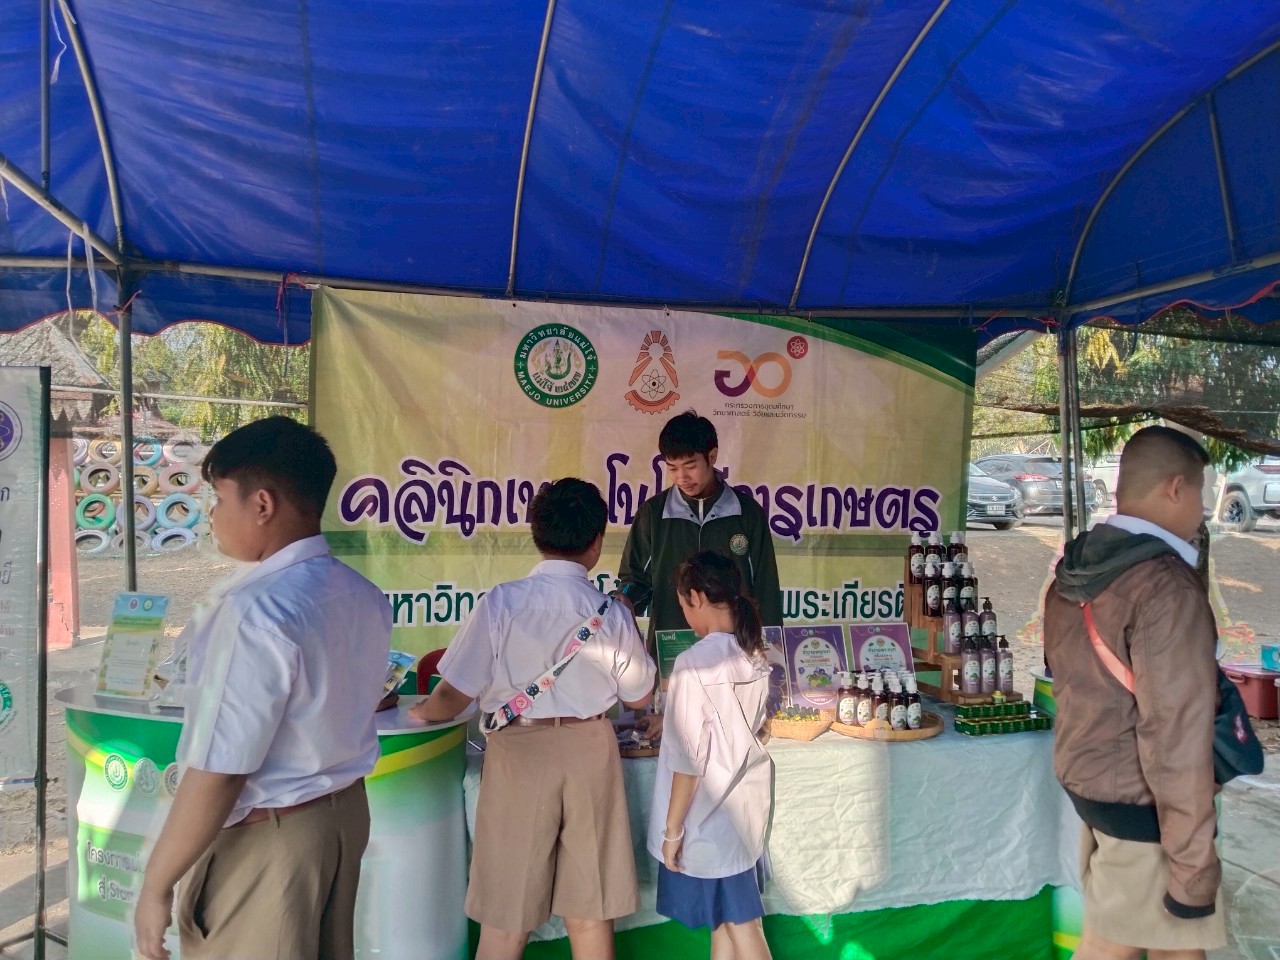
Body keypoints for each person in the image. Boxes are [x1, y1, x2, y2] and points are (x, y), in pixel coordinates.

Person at [134, 417, 393, 960]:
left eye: (219, 498)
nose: (211, 515)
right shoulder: (360, 594)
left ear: (262, 504)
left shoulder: (255, 612)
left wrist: (156, 885)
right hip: (340, 818)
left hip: (272, 838)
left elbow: (221, 770)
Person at [409, 478, 656, 960]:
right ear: (596, 542)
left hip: (518, 755)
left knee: (506, 918)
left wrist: (418, 711)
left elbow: (451, 696)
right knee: (590, 913)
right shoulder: (611, 612)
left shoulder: (501, 603)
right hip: (590, 751)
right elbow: (641, 694)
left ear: (536, 534)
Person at [1044, 426, 1223, 960]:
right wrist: (1194, 863)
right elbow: (1176, 733)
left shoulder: (1074, 571)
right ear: (1175, 488)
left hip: (1094, 783)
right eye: (1200, 492)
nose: (1202, 510)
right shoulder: (1164, 585)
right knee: (1117, 947)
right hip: (1148, 806)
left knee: (1168, 946)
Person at [649, 550, 773, 960]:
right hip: (742, 811)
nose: (686, 614)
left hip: (709, 817)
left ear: (697, 598)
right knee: (724, 923)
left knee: (743, 926)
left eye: (684, 605)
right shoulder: (754, 653)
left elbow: (689, 761)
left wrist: (672, 832)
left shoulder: (693, 664)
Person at [615, 409, 783, 654]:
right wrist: (625, 598)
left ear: (712, 457)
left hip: (735, 650)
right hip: (671, 647)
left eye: (690, 466)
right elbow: (634, 578)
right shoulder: (653, 513)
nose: (682, 477)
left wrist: (772, 654)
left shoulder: (747, 513)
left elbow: (766, 588)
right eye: (672, 468)